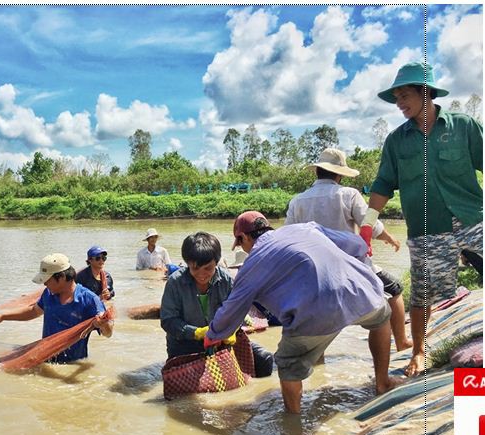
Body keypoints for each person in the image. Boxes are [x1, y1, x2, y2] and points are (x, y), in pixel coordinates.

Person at [207, 211, 402, 414]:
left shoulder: (251, 265)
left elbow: (232, 311)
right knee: (381, 317)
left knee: (288, 364)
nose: (244, 250)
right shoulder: (305, 228)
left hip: (314, 315)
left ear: (244, 237)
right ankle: (383, 383)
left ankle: (294, 424)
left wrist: (212, 335)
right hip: (361, 293)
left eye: (241, 245)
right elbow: (357, 245)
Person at [361, 62, 483, 376]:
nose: (399, 103)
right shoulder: (397, 141)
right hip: (428, 228)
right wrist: (365, 227)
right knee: (422, 292)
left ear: (425, 92)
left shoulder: (463, 126)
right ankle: (418, 351)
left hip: (472, 217)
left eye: (405, 95)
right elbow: (382, 185)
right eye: (396, 97)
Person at [285, 147, 412, 351]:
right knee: (395, 289)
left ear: (318, 171)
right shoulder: (349, 195)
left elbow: (288, 238)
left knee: (317, 327)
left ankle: (319, 367)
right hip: (351, 268)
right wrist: (390, 238)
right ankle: (402, 341)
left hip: (315, 274)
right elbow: (370, 224)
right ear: (339, 175)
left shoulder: (297, 201)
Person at [160, 231, 273, 375]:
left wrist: (231, 331)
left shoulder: (226, 280)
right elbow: (168, 321)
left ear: (217, 262)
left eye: (208, 268)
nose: (202, 274)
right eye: (195, 268)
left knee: (265, 360)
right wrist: (197, 333)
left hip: (220, 342)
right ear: (187, 264)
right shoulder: (175, 283)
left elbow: (236, 313)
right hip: (185, 345)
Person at [0, 253, 113, 363]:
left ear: (61, 277)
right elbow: (34, 311)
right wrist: (3, 316)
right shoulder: (49, 294)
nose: (44, 283)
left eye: (47, 280)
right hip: (45, 359)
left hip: (72, 364)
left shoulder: (90, 300)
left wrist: (102, 325)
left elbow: (108, 333)